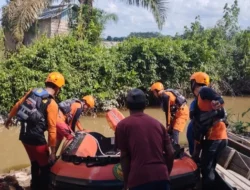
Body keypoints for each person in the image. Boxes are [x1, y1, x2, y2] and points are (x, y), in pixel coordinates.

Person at [4, 72, 65, 190]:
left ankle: (34, 186)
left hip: (24, 135)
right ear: (57, 88)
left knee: (35, 164)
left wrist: (9, 119)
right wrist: (52, 152)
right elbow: (52, 128)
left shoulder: (32, 92)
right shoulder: (52, 104)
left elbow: (17, 105)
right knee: (45, 168)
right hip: (37, 140)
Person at [115, 88, 174, 190]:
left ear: (127, 105)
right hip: (161, 177)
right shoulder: (158, 124)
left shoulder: (122, 126)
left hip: (139, 179)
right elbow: (171, 153)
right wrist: (166, 173)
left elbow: (124, 157)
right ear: (145, 104)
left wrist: (126, 184)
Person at [190, 72, 228, 190]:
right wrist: (196, 153)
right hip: (220, 138)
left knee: (207, 169)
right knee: (210, 168)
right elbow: (199, 129)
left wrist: (219, 102)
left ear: (194, 83)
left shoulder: (204, 91)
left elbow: (219, 98)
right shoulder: (199, 101)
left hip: (215, 138)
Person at [187, 72, 210, 155]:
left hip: (202, 127)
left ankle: (194, 157)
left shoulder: (202, 95)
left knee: (191, 132)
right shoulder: (207, 94)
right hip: (202, 126)